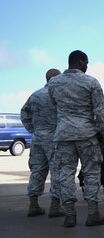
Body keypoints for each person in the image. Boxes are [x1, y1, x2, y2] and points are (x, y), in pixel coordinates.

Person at [47, 50, 104, 227]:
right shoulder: (90, 82)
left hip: (63, 135)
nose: (87, 66)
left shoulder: (54, 83)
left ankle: (69, 215)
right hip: (86, 135)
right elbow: (100, 112)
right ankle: (92, 214)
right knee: (91, 172)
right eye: (86, 62)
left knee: (65, 173)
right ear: (80, 62)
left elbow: (54, 106)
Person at [20, 68, 63, 218]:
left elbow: (24, 113)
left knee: (37, 170)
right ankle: (55, 206)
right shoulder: (58, 95)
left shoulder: (35, 95)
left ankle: (33, 204)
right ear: (57, 79)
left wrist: (33, 129)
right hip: (54, 137)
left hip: (38, 138)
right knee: (57, 170)